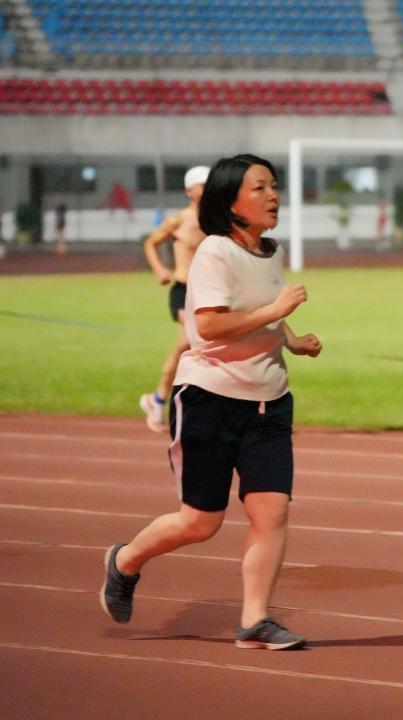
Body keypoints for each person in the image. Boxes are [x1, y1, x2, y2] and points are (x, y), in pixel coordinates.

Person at [100, 154, 323, 650]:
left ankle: (255, 621)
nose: (273, 195)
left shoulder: (269, 250)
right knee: (200, 522)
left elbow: (258, 305)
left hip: (269, 402)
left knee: (272, 513)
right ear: (231, 203)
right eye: (260, 188)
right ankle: (125, 561)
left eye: (274, 186)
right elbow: (211, 324)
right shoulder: (214, 252)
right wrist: (276, 309)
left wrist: (290, 339)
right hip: (209, 399)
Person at [138, 166, 210, 432]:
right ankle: (196, 407)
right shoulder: (179, 220)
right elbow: (150, 243)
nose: (207, 189)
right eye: (202, 184)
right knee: (197, 340)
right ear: (189, 191)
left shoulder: (217, 222)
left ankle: (156, 400)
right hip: (182, 292)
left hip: (207, 293)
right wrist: (159, 269)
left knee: (183, 347)